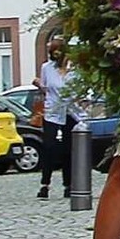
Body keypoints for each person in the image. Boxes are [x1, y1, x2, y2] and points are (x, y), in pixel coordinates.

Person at [33, 39, 81, 199]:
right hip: (52, 112)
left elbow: (78, 89)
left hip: (70, 112)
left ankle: (68, 184)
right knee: (49, 147)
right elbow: (45, 88)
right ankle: (44, 184)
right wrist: (39, 85)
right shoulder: (46, 68)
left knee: (68, 150)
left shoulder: (74, 69)